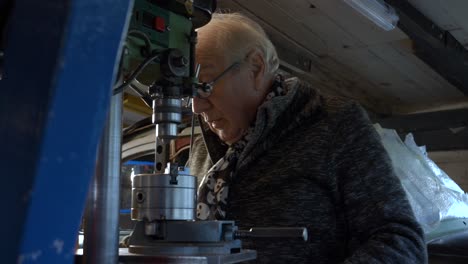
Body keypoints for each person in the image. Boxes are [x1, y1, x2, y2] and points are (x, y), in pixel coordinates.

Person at [188, 12, 427, 263]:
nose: (196, 107)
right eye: (190, 91)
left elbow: (401, 240)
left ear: (256, 68)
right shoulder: (202, 150)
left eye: (205, 86)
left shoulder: (333, 124)